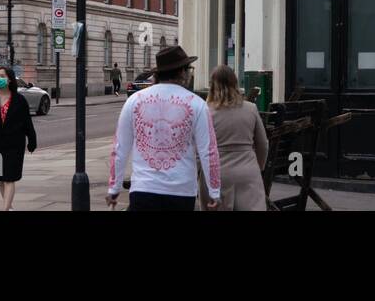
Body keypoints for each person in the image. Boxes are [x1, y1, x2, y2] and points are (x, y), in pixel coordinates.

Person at [106, 45, 220, 211]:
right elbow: (209, 151)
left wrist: (114, 188)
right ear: (181, 72)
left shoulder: (134, 101)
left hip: (144, 190)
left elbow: (119, 149)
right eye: (188, 69)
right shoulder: (197, 104)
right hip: (181, 191)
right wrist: (214, 191)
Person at [206, 65, 269, 211]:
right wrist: (257, 167)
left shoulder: (206, 111)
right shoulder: (251, 108)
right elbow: (263, 144)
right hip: (248, 171)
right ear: (235, 83)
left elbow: (200, 149)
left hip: (218, 173)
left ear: (212, 85)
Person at [0, 65, 37, 211]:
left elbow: (27, 123)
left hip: (14, 145)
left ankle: (5, 209)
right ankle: (10, 207)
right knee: (0, 177)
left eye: (3, 76)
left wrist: (32, 140)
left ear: (10, 80)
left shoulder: (19, 100)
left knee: (10, 177)